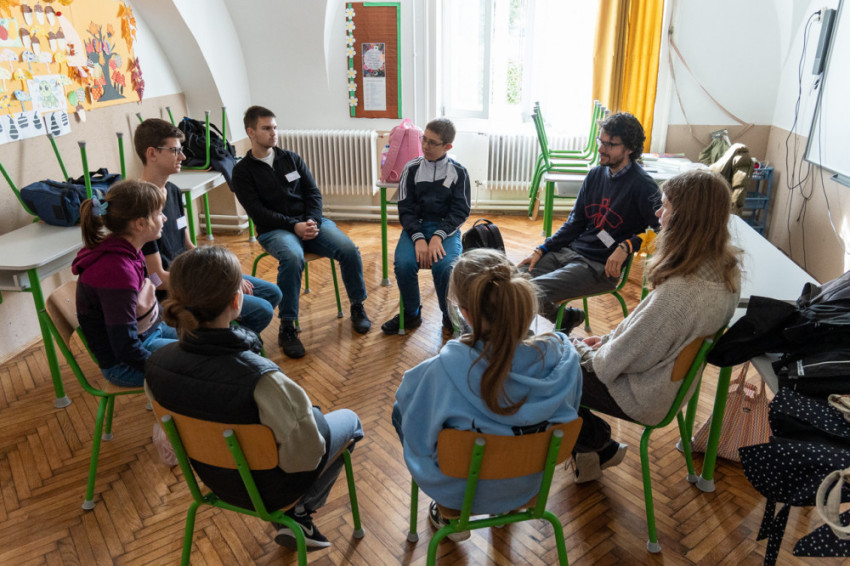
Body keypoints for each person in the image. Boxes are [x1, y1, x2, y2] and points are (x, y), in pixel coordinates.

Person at [144, 246, 364, 550]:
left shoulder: (154, 365)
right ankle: (299, 512)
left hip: (213, 479)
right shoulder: (263, 379)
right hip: (271, 490)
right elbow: (307, 456)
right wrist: (310, 417)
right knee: (351, 421)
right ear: (237, 302)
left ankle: (297, 516)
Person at [393, 248, 582, 540]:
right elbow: (571, 408)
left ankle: (451, 517)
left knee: (402, 412)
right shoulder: (564, 359)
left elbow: (417, 434)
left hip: (462, 492)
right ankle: (505, 511)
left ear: (465, 313)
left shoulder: (440, 371)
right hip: (527, 485)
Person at [570, 169, 741, 483]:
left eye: (665, 207)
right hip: (666, 385)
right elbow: (646, 336)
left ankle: (597, 443)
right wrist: (605, 340)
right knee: (560, 359)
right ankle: (593, 450)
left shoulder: (680, 292)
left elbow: (612, 363)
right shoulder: (725, 270)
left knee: (546, 372)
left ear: (686, 219)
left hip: (644, 394)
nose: (659, 214)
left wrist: (580, 350)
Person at [231, 105, 371, 358]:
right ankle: (287, 326)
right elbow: (257, 211)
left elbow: (312, 192)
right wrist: (292, 226)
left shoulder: (291, 158)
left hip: (309, 223)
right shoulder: (242, 171)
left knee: (349, 249)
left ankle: (357, 305)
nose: (273, 133)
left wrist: (312, 221)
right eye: (266, 128)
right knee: (293, 257)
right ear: (251, 132)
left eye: (275, 127)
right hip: (275, 230)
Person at [133, 118, 282, 336]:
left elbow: (187, 245)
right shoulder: (140, 206)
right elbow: (158, 278)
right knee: (262, 310)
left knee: (272, 293)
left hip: (190, 276)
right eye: (175, 151)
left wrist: (225, 274)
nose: (183, 157)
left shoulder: (173, 190)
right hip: (174, 292)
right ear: (152, 153)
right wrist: (218, 282)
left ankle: (226, 337)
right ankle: (221, 344)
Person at [518, 112, 661, 331]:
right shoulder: (595, 175)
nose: (601, 149)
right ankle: (564, 319)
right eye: (600, 141)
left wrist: (628, 245)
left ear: (630, 148)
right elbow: (575, 223)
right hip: (570, 251)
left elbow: (663, 231)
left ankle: (517, 343)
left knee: (526, 292)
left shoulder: (643, 186)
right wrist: (543, 248)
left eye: (610, 144)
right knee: (510, 282)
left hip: (599, 267)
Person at [72, 180, 178, 387]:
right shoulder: (117, 272)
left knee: (205, 344)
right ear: (140, 224)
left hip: (150, 331)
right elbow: (125, 346)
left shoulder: (128, 249)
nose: (164, 218)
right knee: (200, 369)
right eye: (159, 213)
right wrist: (165, 370)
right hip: (125, 365)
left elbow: (147, 289)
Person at [381, 117, 471, 335]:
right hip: (416, 228)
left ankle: (449, 316)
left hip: (446, 230)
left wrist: (438, 236)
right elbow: (405, 209)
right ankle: (411, 313)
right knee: (403, 264)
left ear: (447, 146)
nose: (425, 146)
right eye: (424, 139)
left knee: (445, 267)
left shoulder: (459, 172)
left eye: (432, 142)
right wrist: (419, 238)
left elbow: (460, 211)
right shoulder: (411, 169)